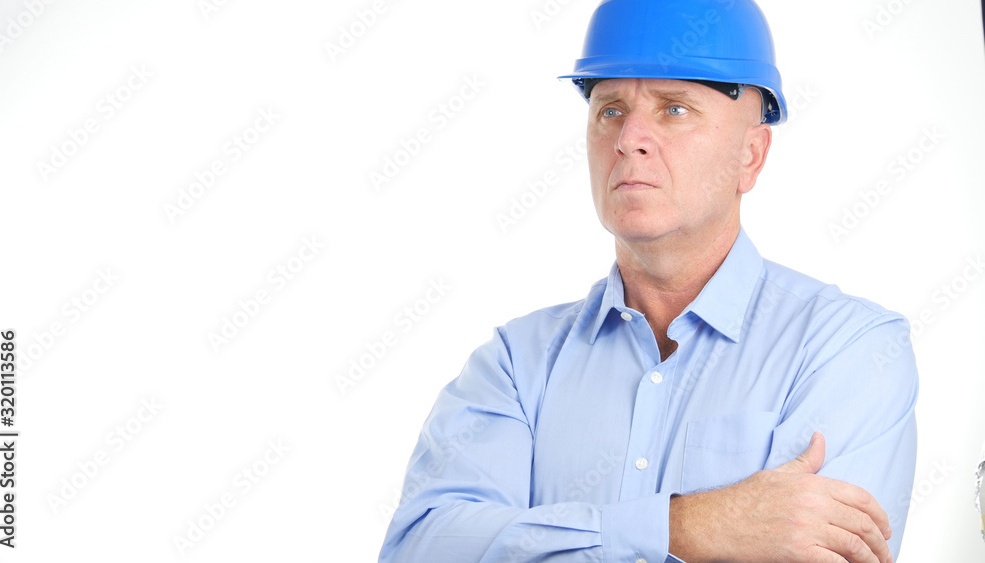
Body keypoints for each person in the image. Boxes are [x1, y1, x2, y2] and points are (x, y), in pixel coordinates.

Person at [379, 0, 919, 561]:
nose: (629, 138)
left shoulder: (848, 350)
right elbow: (423, 547)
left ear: (750, 155)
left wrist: (539, 540)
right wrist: (686, 526)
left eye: (674, 109)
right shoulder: (518, 365)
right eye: (610, 110)